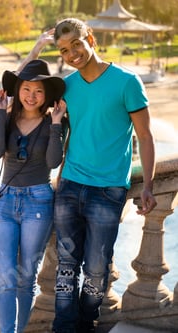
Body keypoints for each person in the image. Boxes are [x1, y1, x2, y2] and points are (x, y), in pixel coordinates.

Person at [26, 19, 157, 332]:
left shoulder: (127, 81)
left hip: (108, 190)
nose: (72, 54)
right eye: (63, 50)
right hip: (70, 185)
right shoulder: (66, 87)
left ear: (91, 39)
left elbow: (146, 136)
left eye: (76, 45)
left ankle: (86, 321)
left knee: (97, 270)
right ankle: (63, 325)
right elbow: (22, 88)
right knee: (65, 266)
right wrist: (37, 49)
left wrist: (149, 186)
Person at [0, 59, 67, 333]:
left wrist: (56, 124)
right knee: (6, 279)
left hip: (38, 201)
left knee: (26, 277)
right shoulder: (7, 118)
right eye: (26, 89)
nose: (31, 96)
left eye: (39, 91)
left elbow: (54, 161)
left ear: (47, 96)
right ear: (18, 90)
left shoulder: (53, 123)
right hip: (5, 202)